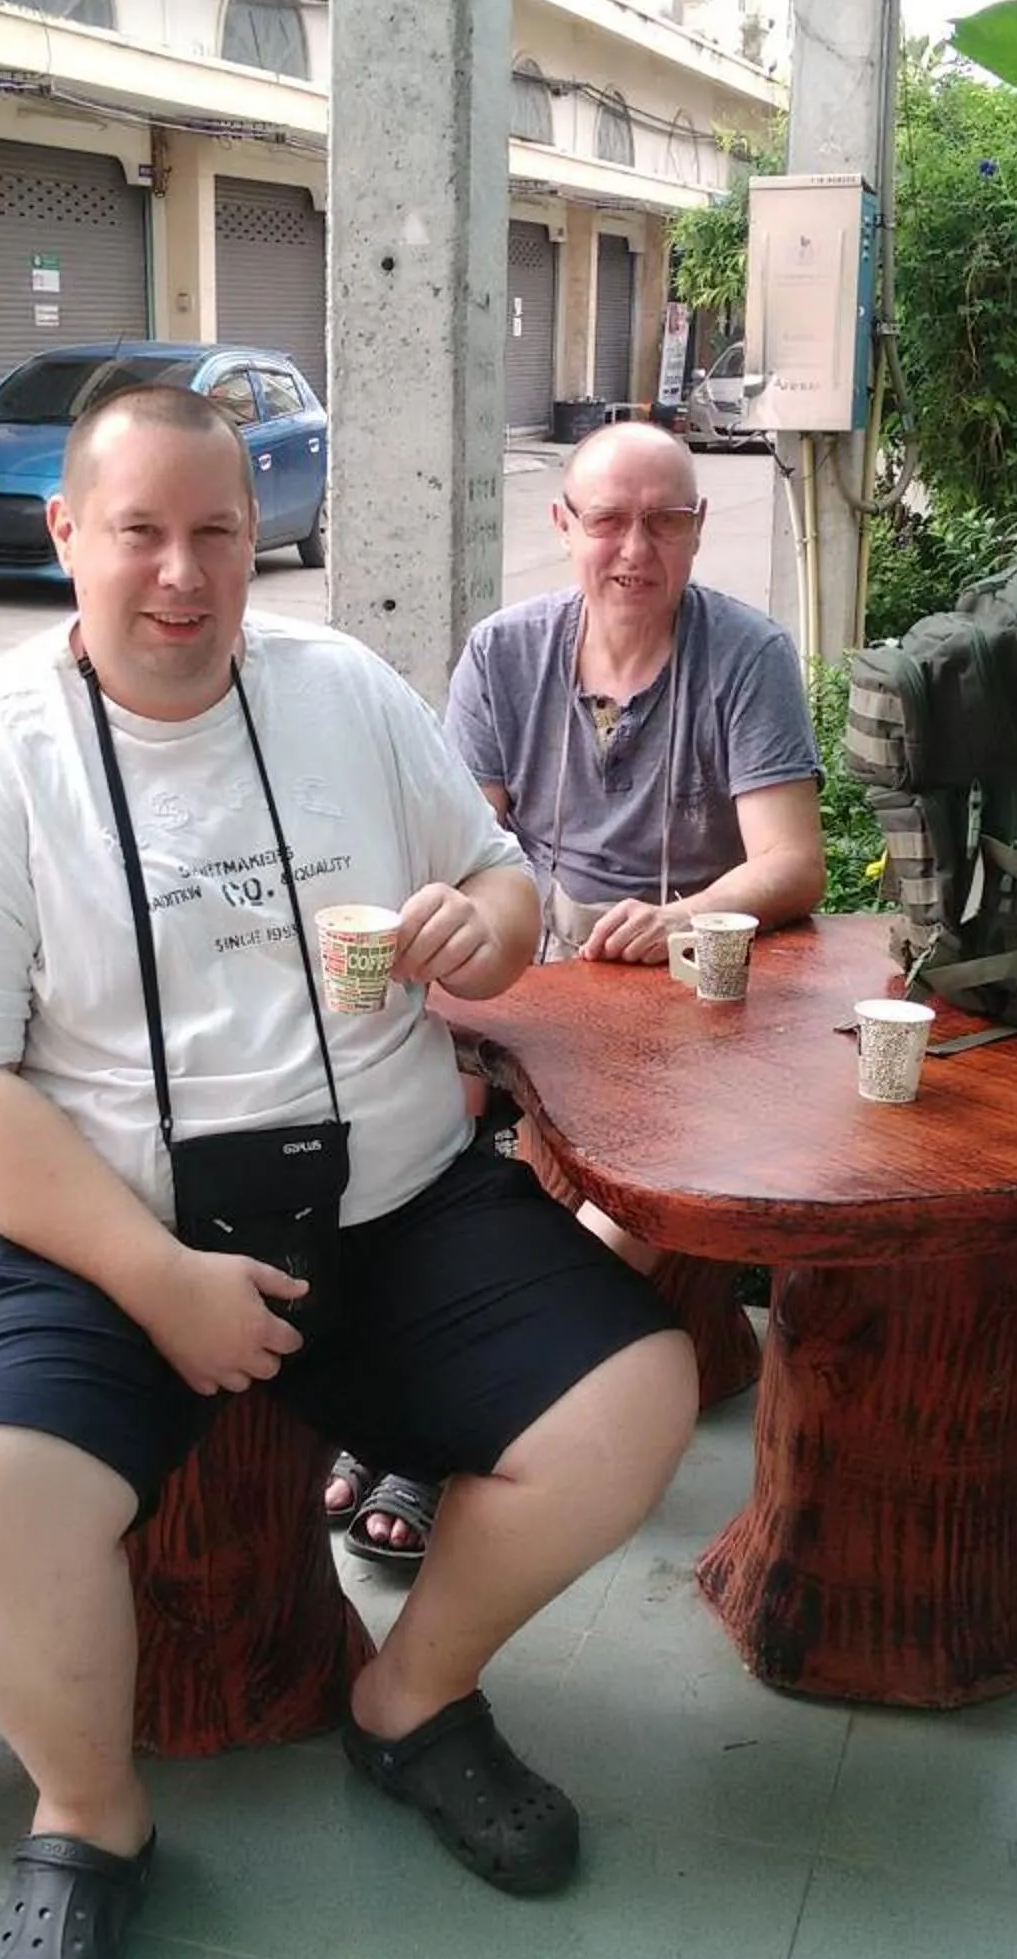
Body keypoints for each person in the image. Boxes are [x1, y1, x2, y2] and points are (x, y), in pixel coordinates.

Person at [0, 382, 696, 1959]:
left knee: (637, 1395)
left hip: (386, 1205)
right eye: (142, 534)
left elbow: (504, 879)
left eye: (219, 534)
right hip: (88, 1238)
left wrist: (488, 922)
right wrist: (153, 1274)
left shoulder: (346, 694)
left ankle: (411, 1695)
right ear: (66, 536)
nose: (182, 576)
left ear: (262, 542)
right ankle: (89, 1816)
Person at [331, 418, 825, 1565]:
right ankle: (396, 1389)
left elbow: (791, 861)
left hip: (680, 993)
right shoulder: (506, 652)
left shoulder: (745, 656)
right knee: (402, 1123)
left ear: (701, 531)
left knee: (634, 1174)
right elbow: (463, 842)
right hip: (536, 973)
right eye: (608, 519)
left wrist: (684, 914)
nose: (634, 549)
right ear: (564, 527)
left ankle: (470, 1412)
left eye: (664, 521)